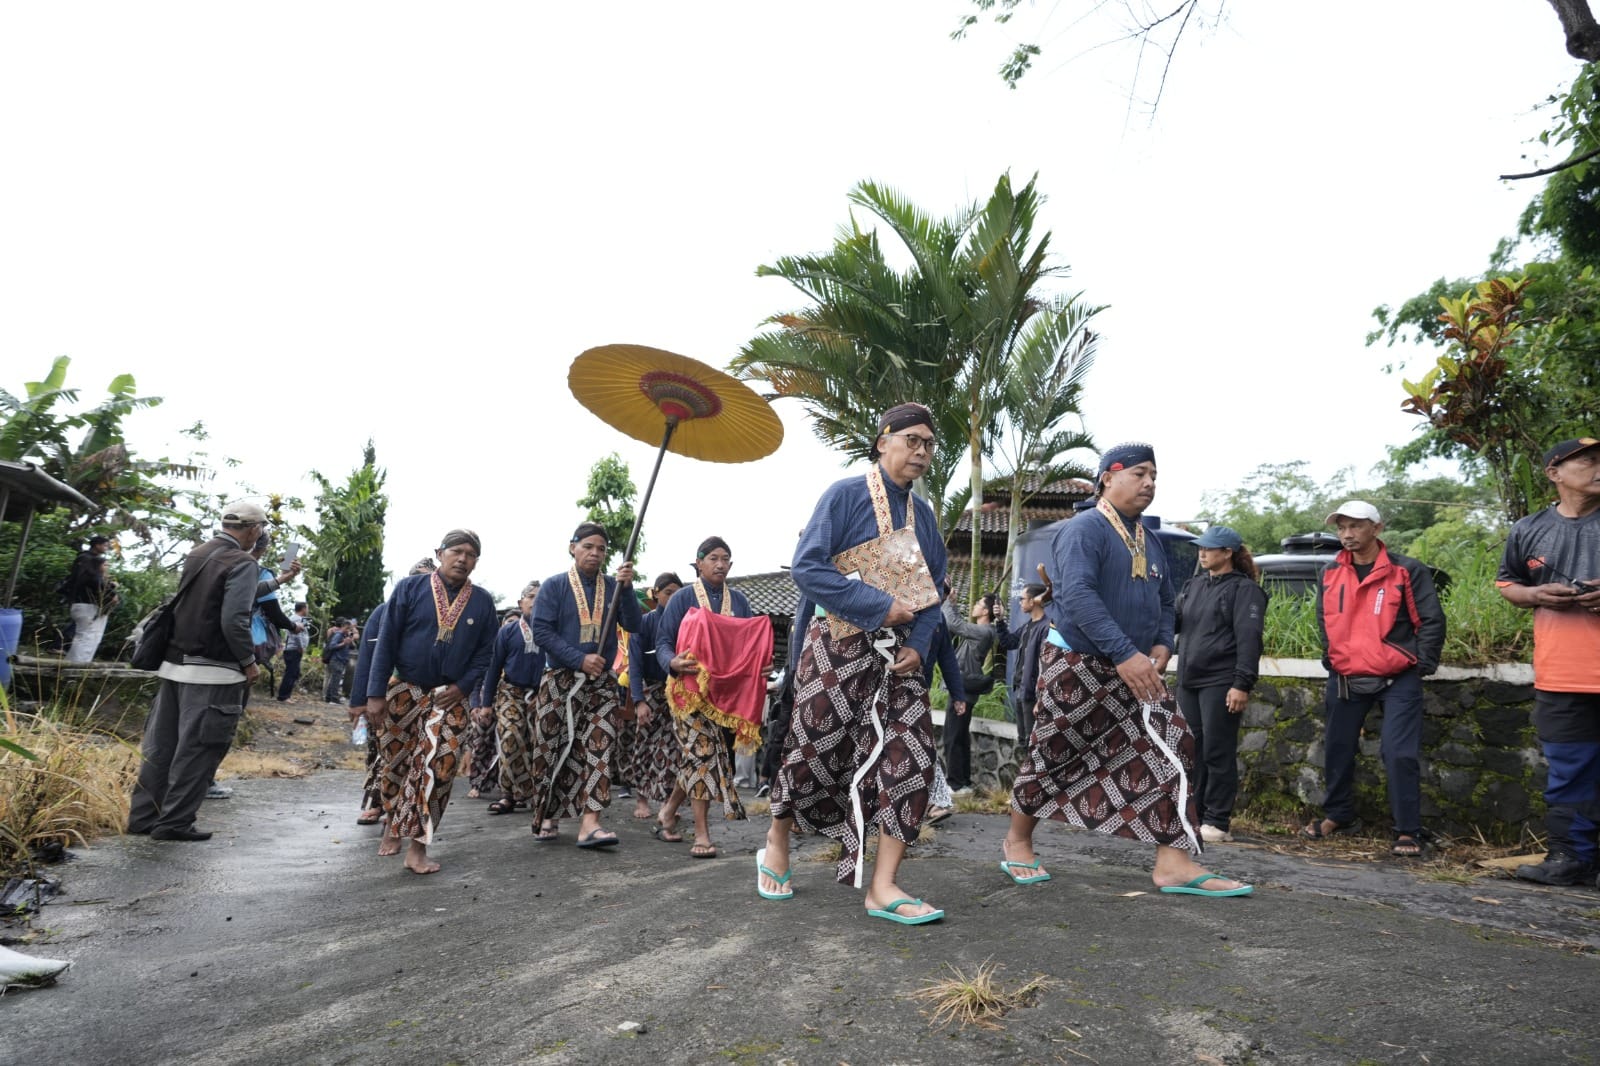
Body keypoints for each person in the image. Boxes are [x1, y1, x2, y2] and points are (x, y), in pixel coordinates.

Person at [1005, 442, 1251, 898]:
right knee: (1055, 752)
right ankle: (1017, 840)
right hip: (1079, 662)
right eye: (1139, 474)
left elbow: (1163, 601)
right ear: (1107, 477)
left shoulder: (1150, 539)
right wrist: (1124, 653)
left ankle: (1174, 863)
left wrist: (1162, 642)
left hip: (1137, 667)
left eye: (1154, 476)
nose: (1149, 483)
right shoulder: (1083, 530)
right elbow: (1077, 597)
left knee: (1174, 746)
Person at [760, 402, 949, 924]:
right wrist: (876, 606)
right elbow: (807, 568)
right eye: (911, 439)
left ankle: (883, 885)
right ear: (882, 441)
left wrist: (922, 642)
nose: (921, 451)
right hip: (836, 648)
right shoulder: (844, 496)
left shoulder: (925, 518)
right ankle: (778, 837)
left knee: (911, 759)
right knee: (814, 749)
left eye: (928, 444)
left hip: (899, 662)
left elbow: (935, 595)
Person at [1303, 501, 1446, 859]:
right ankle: (1339, 815)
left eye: (1356, 526)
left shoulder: (1406, 570)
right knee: (1337, 747)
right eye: (1342, 528)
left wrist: (1420, 664)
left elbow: (1430, 620)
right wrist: (1331, 658)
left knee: (1398, 753)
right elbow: (1324, 619)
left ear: (1377, 528)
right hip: (1346, 675)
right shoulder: (1330, 572)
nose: (1347, 534)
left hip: (1398, 676)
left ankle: (1407, 829)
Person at [127, 502, 266, 841]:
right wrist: (249, 662)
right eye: (260, 529)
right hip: (214, 672)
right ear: (252, 529)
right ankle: (174, 823)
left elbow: (213, 600)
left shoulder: (199, 552)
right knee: (199, 750)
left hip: (175, 665)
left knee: (161, 747)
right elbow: (233, 619)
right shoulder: (242, 561)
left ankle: (143, 817)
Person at [362, 530, 498, 875]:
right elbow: (386, 640)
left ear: (477, 561)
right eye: (456, 551)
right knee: (396, 765)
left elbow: (486, 653)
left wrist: (465, 685)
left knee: (441, 768)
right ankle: (394, 824)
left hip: (450, 697)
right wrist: (375, 693)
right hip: (404, 690)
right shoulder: (410, 589)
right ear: (440, 553)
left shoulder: (482, 602)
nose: (463, 559)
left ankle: (418, 847)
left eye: (471, 554)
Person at [1496, 438, 1600, 887]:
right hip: (1563, 675)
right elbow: (1508, 583)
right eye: (1588, 461)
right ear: (1554, 473)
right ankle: (1570, 857)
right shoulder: (1529, 529)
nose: (1598, 467)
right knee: (1569, 772)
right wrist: (1536, 595)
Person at [527, 522, 642, 848]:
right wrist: (579, 659)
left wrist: (628, 589)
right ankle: (547, 813)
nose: (595, 553)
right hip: (560, 680)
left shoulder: (614, 586)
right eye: (588, 546)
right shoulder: (554, 586)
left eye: (601, 549)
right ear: (572, 547)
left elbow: (633, 624)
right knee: (552, 747)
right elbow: (542, 632)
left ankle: (590, 824)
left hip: (601, 685)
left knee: (599, 746)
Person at [655, 538, 770, 859]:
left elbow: (749, 645)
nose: (720, 564)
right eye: (714, 558)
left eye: (726, 559)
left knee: (698, 757)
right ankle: (702, 834)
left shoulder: (741, 601)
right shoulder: (682, 598)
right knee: (703, 754)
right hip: (686, 693)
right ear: (699, 563)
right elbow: (662, 641)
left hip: (721, 698)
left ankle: (668, 812)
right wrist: (672, 662)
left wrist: (763, 663)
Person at [1174, 526, 1267, 844]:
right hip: (1189, 681)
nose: (1202, 553)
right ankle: (1194, 814)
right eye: (1200, 547)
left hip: (1221, 681)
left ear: (1227, 552)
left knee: (1218, 750)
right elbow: (1174, 622)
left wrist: (1241, 683)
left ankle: (1217, 820)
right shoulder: (1193, 585)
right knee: (1192, 749)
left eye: (1209, 548)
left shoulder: (1245, 590)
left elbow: (1249, 639)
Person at [348, 557, 435, 826]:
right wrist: (359, 700)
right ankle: (377, 803)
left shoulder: (440, 615)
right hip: (385, 695)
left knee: (419, 753)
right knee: (382, 752)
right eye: (415, 578)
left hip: (426, 695)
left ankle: (403, 807)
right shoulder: (384, 611)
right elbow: (368, 657)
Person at [472, 581, 546, 815]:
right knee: (510, 737)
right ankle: (509, 794)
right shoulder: (508, 631)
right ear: (520, 602)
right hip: (510, 692)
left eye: (540, 597)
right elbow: (494, 668)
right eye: (531, 596)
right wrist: (485, 705)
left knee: (538, 742)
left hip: (542, 692)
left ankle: (534, 793)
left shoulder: (551, 630)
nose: (535, 601)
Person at [942, 591, 1018, 792]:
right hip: (964, 688)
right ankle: (963, 782)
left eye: (977, 603)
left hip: (963, 690)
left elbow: (954, 624)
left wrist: (949, 603)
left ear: (985, 611)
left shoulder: (984, 631)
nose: (974, 605)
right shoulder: (981, 630)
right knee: (959, 736)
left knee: (953, 736)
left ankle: (956, 784)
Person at [627, 572, 683, 823]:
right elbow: (635, 665)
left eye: (677, 593)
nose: (672, 598)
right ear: (656, 594)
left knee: (673, 748)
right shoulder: (644, 623)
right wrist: (639, 701)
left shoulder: (686, 623)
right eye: (668, 592)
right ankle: (642, 797)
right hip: (650, 691)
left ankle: (668, 800)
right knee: (645, 745)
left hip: (678, 691)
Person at [922, 582, 967, 824]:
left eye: (943, 593)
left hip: (917, 695)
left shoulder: (939, 621)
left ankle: (935, 802)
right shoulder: (901, 610)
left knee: (924, 747)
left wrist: (958, 695)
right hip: (882, 691)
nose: (938, 596)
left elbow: (948, 660)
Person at [1010, 583, 1052, 755]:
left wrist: (1040, 697)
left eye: (1022, 598)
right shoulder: (1028, 626)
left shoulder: (1046, 627)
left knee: (1032, 741)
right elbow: (1009, 642)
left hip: (1032, 692)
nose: (1020, 602)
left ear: (1035, 600)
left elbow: (1046, 664)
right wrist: (998, 620)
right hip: (1020, 688)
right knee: (1023, 740)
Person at [64, 534, 118, 663]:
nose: (106, 568)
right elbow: (95, 582)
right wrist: (111, 592)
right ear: (97, 545)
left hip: (81, 604)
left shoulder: (84, 562)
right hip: (88, 605)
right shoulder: (88, 561)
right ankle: (77, 669)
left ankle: (71, 666)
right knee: (88, 637)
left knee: (84, 637)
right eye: (105, 566)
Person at [277, 602, 311, 701]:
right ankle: (284, 696)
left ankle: (286, 695)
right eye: (307, 608)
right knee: (291, 673)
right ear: (303, 608)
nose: (307, 611)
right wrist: (300, 647)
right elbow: (296, 635)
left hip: (293, 649)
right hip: (294, 649)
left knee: (293, 672)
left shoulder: (294, 618)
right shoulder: (297, 619)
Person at [324, 619, 354, 703]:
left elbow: (352, 647)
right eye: (348, 628)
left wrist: (350, 640)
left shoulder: (345, 636)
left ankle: (329, 697)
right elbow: (332, 646)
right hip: (336, 659)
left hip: (341, 660)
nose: (349, 631)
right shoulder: (338, 635)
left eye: (350, 629)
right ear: (344, 627)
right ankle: (334, 698)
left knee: (334, 679)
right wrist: (343, 643)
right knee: (336, 680)